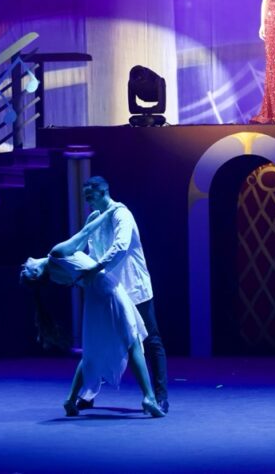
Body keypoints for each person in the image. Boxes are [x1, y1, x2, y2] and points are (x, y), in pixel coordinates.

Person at [20, 205, 165, 418]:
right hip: (108, 291)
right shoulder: (56, 254)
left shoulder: (54, 274)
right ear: (35, 273)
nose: (26, 263)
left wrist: (91, 222)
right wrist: (110, 212)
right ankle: (149, 398)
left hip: (95, 299)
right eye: (25, 268)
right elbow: (84, 235)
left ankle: (70, 400)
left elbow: (79, 242)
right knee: (133, 340)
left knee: (92, 351)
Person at [80, 176, 170, 415]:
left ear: (102, 192)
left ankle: (160, 397)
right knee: (98, 340)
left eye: (90, 195)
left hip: (133, 286)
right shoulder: (93, 219)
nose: (87, 200)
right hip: (109, 289)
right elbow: (91, 250)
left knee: (150, 340)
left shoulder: (122, 214)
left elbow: (120, 247)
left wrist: (96, 268)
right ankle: (88, 394)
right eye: (86, 196)